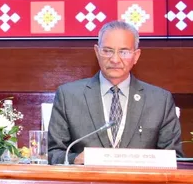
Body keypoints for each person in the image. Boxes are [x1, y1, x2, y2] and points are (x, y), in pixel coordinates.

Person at [47, 20, 181, 164]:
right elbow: (53, 153)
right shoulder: (69, 96)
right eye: (107, 51)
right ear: (97, 52)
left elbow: (175, 159)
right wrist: (75, 159)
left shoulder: (160, 101)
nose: (115, 59)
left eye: (124, 52)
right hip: (87, 178)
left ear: (136, 56)